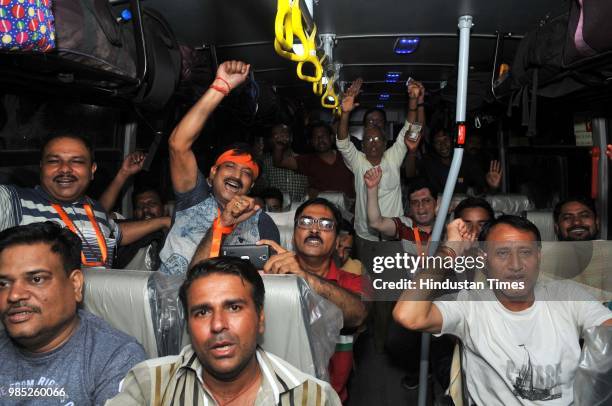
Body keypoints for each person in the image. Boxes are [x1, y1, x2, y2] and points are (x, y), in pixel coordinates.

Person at [393, 215, 612, 405]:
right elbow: (408, 315)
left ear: (539, 256)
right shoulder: (472, 305)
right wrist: (450, 250)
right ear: (484, 260)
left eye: (525, 252)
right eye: (502, 253)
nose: (516, 265)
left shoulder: (567, 296)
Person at [107, 257, 341, 406]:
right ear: (188, 325)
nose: (218, 324)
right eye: (202, 312)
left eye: (234, 307)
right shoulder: (148, 386)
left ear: (260, 319)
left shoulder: (314, 398)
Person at [0, 222, 146, 404]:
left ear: (75, 285)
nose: (14, 295)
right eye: (3, 284)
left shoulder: (116, 358)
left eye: (36, 279)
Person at [159, 60, 279, 275]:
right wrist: (220, 86)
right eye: (230, 166)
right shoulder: (192, 200)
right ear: (213, 173)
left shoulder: (262, 221)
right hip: (170, 299)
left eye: (246, 173)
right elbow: (178, 144)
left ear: (251, 186)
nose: (236, 175)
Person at [0, 133, 171, 268]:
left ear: (92, 170)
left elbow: (117, 232)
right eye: (53, 161)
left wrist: (163, 221)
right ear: (41, 167)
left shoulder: (95, 210)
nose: (65, 169)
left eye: (77, 162)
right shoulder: (14, 201)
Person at [259, 198, 369, 402]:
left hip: (328, 398)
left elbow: (358, 314)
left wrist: (303, 277)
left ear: (337, 242)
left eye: (326, 225)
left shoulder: (353, 281)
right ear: (294, 236)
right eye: (306, 222)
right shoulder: (271, 279)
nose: (315, 229)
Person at [338, 78, 424, 245]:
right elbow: (343, 142)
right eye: (369, 139)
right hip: (364, 235)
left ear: (385, 143)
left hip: (393, 235)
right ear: (362, 145)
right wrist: (345, 113)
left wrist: (413, 100)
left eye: (378, 139)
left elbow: (410, 128)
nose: (374, 142)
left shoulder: (393, 157)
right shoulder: (358, 161)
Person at [272, 121, 355, 199]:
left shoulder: (347, 157)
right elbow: (279, 162)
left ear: (331, 138)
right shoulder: (307, 160)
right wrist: (278, 146)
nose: (320, 140)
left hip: (349, 210)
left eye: (323, 136)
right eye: (316, 137)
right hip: (322, 210)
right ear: (311, 142)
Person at [408, 128, 503, 195]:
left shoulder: (466, 161)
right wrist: (412, 152)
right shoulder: (429, 162)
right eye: (438, 142)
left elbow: (482, 191)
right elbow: (410, 176)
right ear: (433, 145)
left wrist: (492, 187)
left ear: (453, 140)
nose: (443, 145)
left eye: (446, 139)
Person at [365, 167, 434, 249]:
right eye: (415, 203)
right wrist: (372, 188)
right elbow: (376, 222)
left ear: (436, 202)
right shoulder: (406, 225)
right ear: (410, 208)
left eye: (426, 201)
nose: (421, 207)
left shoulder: (447, 225)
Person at [114, 186, 168, 270]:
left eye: (152, 204)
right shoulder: (127, 232)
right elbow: (111, 229)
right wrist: (163, 221)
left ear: (165, 209)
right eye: (139, 206)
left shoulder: (176, 236)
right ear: (134, 213)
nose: (145, 209)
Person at [262, 123, 308, 202]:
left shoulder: (302, 160)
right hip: (273, 212)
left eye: (284, 133)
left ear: (291, 138)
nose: (280, 137)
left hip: (299, 209)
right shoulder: (264, 162)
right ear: (271, 139)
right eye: (276, 135)